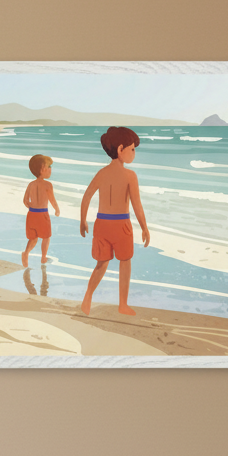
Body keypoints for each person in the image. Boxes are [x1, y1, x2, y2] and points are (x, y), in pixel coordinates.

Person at [79, 126, 150, 316]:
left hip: (101, 224)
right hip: (121, 226)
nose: (134, 153)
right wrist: (144, 227)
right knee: (124, 263)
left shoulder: (101, 173)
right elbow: (137, 205)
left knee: (101, 264)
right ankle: (123, 304)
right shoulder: (130, 176)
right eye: (132, 149)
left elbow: (86, 197)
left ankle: (87, 297)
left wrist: (83, 220)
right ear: (120, 149)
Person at [22, 155, 60, 267]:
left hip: (32, 214)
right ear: (43, 169)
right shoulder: (48, 185)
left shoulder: (31, 184)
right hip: (42, 214)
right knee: (46, 237)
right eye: (49, 166)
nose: (51, 169)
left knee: (33, 238)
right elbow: (52, 200)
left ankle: (26, 253)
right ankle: (43, 258)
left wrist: (32, 207)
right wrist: (57, 209)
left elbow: (25, 200)